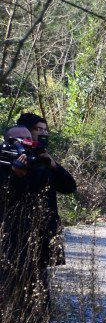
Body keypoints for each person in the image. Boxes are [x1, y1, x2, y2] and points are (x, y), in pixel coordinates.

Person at [0, 121, 76, 303]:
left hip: (40, 237)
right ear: (7, 141)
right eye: (18, 139)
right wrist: (16, 176)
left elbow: (69, 187)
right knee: (10, 292)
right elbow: (8, 198)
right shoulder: (3, 163)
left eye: (27, 138)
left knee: (40, 292)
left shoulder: (39, 161)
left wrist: (54, 165)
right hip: (11, 240)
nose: (24, 142)